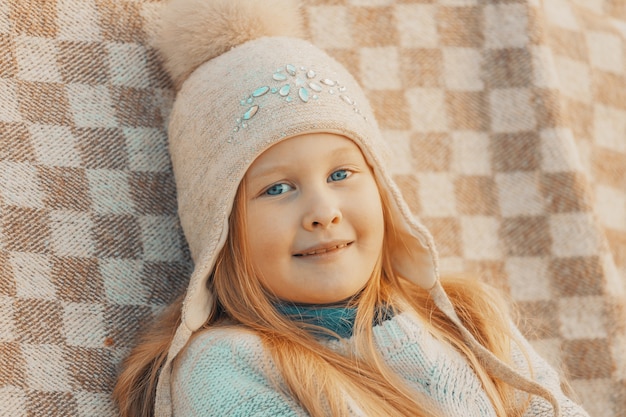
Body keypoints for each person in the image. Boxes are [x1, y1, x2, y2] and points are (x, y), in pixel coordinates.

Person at [113, 0, 590, 416]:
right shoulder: (225, 367)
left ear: (384, 191)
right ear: (219, 226)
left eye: (341, 175)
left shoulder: (468, 321)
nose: (323, 211)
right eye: (277, 188)